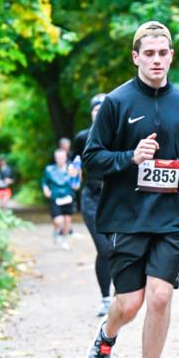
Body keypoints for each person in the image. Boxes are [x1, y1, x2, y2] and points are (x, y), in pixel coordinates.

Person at [82, 21, 179, 358]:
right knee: (129, 303)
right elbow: (91, 158)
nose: (156, 60)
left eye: (162, 53)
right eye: (148, 53)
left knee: (160, 297)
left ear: (171, 56)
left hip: (171, 216)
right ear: (136, 57)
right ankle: (107, 334)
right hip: (127, 217)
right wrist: (130, 157)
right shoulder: (117, 103)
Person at [74, 94, 114, 317]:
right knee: (104, 248)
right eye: (95, 109)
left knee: (120, 247)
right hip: (92, 197)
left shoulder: (120, 134)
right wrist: (73, 174)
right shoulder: (83, 137)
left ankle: (122, 296)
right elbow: (75, 162)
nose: (98, 112)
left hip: (116, 198)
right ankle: (106, 299)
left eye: (103, 109)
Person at [41, 148, 78, 248]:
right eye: (58, 158)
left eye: (62, 157)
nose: (60, 160)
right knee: (58, 220)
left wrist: (76, 177)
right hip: (55, 198)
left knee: (67, 221)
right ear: (55, 158)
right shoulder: (49, 169)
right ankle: (56, 230)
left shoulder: (71, 169)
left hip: (68, 197)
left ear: (66, 158)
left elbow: (76, 184)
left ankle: (64, 241)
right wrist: (45, 189)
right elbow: (44, 182)